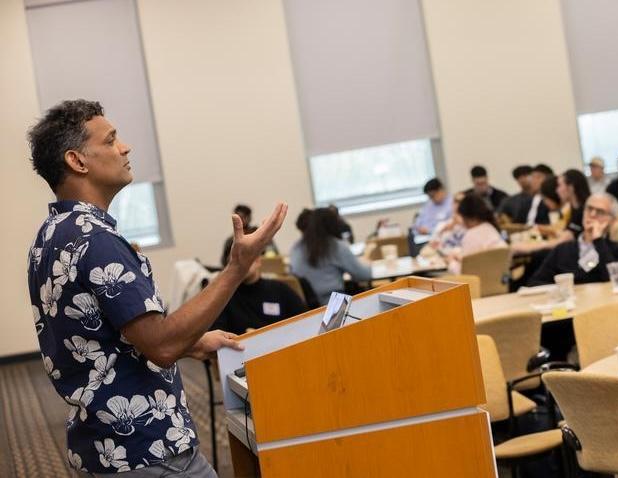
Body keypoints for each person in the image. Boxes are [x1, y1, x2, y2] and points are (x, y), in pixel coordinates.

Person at [26, 100, 286, 475]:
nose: (125, 147)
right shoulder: (97, 240)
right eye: (112, 140)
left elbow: (107, 337)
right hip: (148, 450)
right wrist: (236, 269)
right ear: (77, 161)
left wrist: (196, 342)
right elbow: (161, 345)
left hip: (101, 448)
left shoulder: (50, 237)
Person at [212, 229, 307, 335]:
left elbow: (305, 326)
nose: (242, 262)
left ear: (258, 259)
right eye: (235, 259)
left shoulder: (280, 290)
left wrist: (263, 339)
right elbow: (216, 337)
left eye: (246, 255)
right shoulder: (222, 299)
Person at [528, 193, 618, 286]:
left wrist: (598, 240)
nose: (592, 214)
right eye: (589, 209)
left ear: (612, 220)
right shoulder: (562, 250)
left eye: (600, 212)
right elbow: (535, 283)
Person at [290, 208, 372, 305]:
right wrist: (370, 265)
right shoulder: (336, 246)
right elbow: (363, 275)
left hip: (306, 309)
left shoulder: (296, 247)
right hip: (335, 307)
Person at [446, 195, 507, 274]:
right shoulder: (489, 227)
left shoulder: (471, 235)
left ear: (470, 218)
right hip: (499, 280)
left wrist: (451, 262)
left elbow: (464, 274)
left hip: (479, 282)